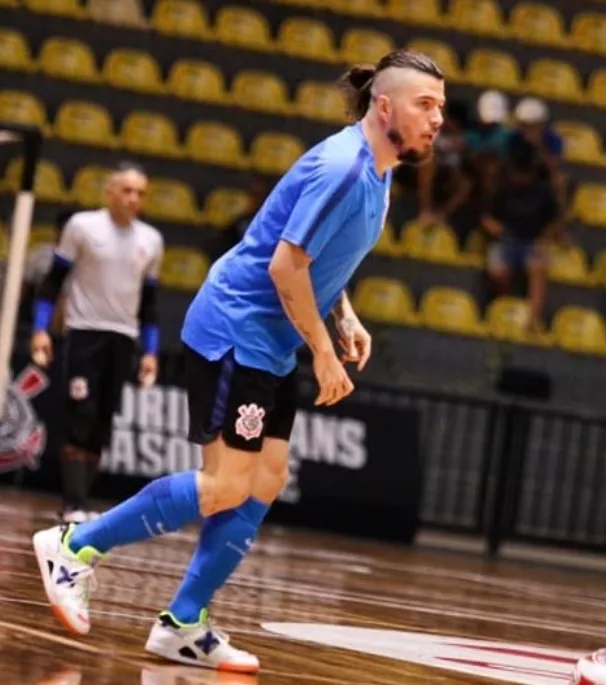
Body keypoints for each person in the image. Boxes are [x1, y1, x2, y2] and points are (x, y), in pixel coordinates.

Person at [31, 48, 445, 674]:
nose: (438, 118)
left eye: (441, 106)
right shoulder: (343, 166)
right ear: (384, 106)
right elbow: (285, 266)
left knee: (266, 481)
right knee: (225, 483)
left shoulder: (380, 170)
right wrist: (325, 353)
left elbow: (314, 255)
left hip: (272, 339)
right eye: (426, 104)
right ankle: (73, 545)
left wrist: (344, 315)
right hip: (235, 330)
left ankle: (184, 623)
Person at [30, 163, 164, 523]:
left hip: (123, 338)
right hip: (84, 331)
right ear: (109, 191)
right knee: (81, 415)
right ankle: (72, 504)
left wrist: (150, 351)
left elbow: (150, 303)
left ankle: (83, 502)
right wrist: (41, 329)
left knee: (103, 420)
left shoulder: (151, 240)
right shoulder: (83, 227)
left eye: (140, 192)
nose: (133, 198)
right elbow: (53, 282)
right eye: (127, 190)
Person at [483, 137, 559, 332]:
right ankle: (506, 311)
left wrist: (543, 240)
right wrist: (496, 229)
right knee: (498, 271)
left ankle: (533, 319)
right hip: (507, 239)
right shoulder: (503, 189)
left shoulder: (543, 191)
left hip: (533, 241)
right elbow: (487, 217)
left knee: (537, 268)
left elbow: (553, 221)